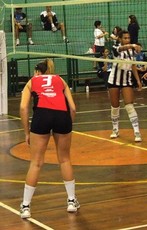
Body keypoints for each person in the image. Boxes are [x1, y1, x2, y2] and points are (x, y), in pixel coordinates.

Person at [19, 59, 79, 219]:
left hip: (42, 116)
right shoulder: (60, 79)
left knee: (36, 162)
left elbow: (23, 108)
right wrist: (67, 125)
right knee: (65, 159)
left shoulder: (32, 82)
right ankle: (72, 201)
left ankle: (25, 206)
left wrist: (26, 132)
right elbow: (73, 108)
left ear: (37, 72)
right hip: (62, 116)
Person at [107, 30, 143, 142]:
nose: (127, 40)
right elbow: (120, 49)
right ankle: (115, 129)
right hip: (114, 80)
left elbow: (132, 66)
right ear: (120, 39)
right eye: (125, 38)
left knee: (129, 105)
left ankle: (137, 132)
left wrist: (138, 80)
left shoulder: (131, 51)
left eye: (129, 38)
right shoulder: (115, 47)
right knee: (115, 106)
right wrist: (132, 45)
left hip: (126, 81)